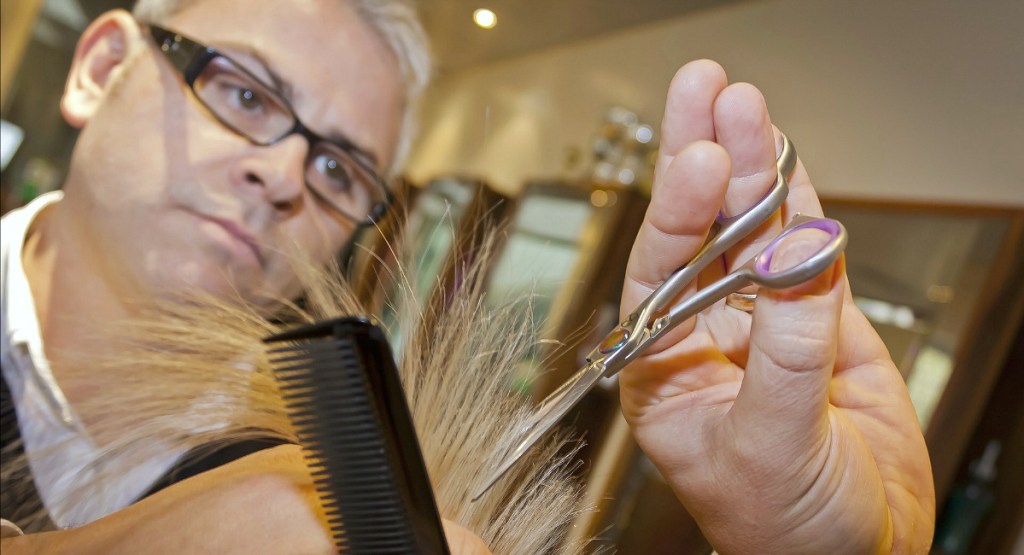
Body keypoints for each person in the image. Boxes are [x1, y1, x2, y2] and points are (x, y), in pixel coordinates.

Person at [0, 0, 935, 553]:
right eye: (244, 93)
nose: (285, 176)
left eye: (337, 168)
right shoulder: (286, 493)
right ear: (100, 66)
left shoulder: (353, 474)